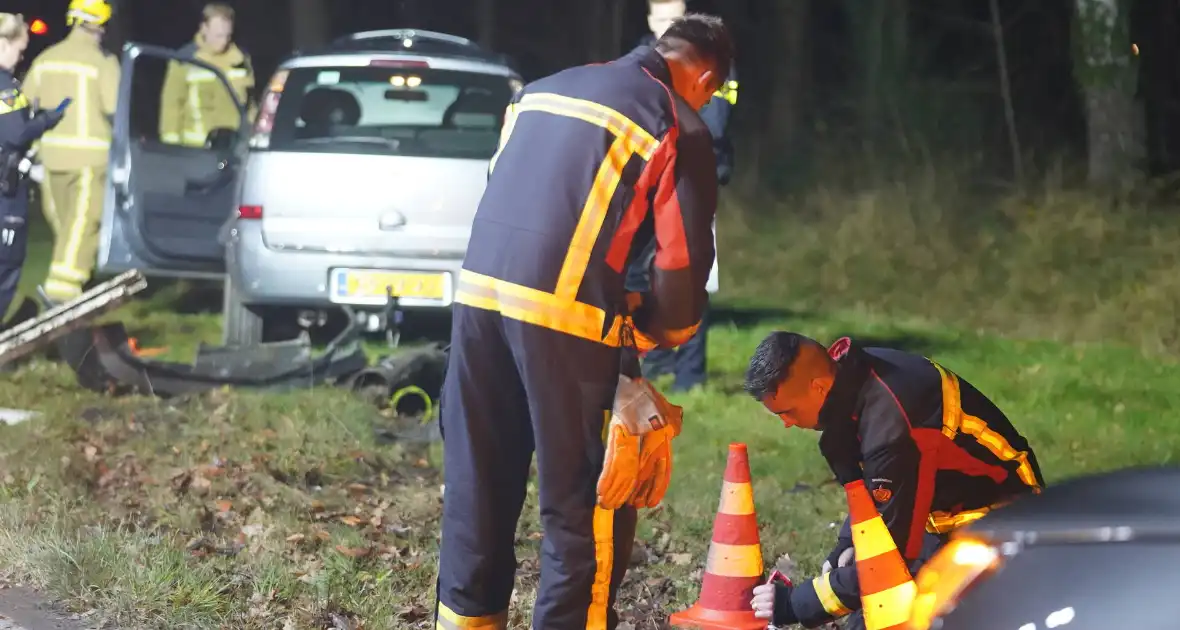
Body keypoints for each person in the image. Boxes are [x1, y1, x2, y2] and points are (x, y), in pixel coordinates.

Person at [434, 13, 732, 630]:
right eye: (717, 91)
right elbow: (681, 268)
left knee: (477, 489)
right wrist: (651, 332)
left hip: (477, 301)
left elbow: (517, 193)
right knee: (586, 505)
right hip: (563, 319)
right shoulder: (678, 121)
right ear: (704, 76)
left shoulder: (540, 90)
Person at [742, 332, 1046, 630]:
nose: (786, 424)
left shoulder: (892, 426)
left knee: (919, 611)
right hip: (943, 515)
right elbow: (878, 495)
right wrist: (847, 545)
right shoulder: (856, 383)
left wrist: (794, 603)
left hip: (1003, 522)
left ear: (818, 387)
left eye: (788, 411)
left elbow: (889, 558)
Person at [628, 0, 738, 392]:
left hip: (692, 176)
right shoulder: (637, 62)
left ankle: (691, 373)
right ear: (650, 21)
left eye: (676, 19)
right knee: (643, 275)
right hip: (649, 182)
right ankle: (654, 363)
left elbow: (714, 121)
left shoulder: (710, 63)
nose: (668, 26)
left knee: (692, 277)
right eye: (662, 19)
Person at [21, 0, 119, 305]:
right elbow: (115, 107)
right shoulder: (102, 62)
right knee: (82, 228)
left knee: (66, 230)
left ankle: (73, 290)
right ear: (95, 24)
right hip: (90, 162)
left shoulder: (45, 60)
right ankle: (61, 297)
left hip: (50, 161)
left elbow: (24, 106)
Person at [0, 13, 66, 322]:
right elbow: (16, 134)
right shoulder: (6, 87)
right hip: (5, 194)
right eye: (20, 49)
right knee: (7, 264)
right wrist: (47, 119)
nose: (20, 56)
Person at [159, 2, 255, 147]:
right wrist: (172, 149)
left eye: (227, 36)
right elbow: (171, 107)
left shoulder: (240, 60)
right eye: (218, 36)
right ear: (204, 28)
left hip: (233, 147)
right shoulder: (184, 60)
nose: (223, 41)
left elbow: (251, 106)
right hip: (196, 149)